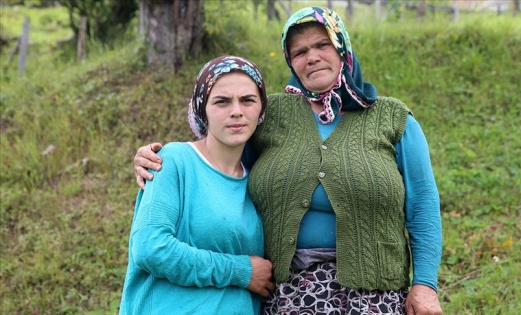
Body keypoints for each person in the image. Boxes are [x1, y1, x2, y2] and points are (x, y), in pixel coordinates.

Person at [133, 7, 442, 315]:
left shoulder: (392, 118)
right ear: (290, 61)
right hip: (288, 295)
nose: (312, 57)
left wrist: (425, 284)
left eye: (323, 45)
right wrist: (159, 157)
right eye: (300, 51)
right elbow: (220, 157)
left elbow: (423, 204)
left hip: (374, 295)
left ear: (342, 47)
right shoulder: (273, 115)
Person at [119, 55, 275, 315]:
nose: (236, 111)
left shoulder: (258, 180)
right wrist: (240, 271)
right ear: (202, 109)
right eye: (222, 101)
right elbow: (150, 248)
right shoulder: (175, 161)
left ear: (261, 110)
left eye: (248, 100)